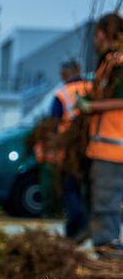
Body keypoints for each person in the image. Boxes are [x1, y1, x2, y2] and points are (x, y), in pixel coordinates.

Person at [76, 13, 123, 257]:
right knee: (101, 200)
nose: (94, 40)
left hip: (113, 147)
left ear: (103, 34)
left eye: (96, 34)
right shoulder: (109, 63)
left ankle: (109, 253)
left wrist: (91, 107)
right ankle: (104, 246)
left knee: (106, 202)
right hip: (104, 147)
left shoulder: (119, 62)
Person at [49, 59, 91, 239]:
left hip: (69, 148)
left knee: (69, 187)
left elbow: (53, 124)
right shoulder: (92, 88)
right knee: (85, 188)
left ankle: (79, 225)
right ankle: (75, 229)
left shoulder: (62, 94)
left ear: (64, 74)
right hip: (92, 146)